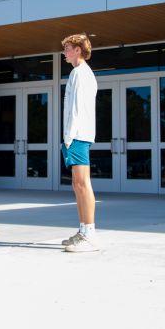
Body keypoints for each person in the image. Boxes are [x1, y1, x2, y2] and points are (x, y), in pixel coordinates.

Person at [60, 33, 99, 252]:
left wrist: (68, 136)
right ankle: (84, 230)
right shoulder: (83, 73)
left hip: (78, 135)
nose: (64, 52)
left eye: (67, 48)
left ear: (78, 50)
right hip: (79, 134)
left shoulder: (79, 72)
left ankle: (89, 234)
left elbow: (75, 108)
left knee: (82, 184)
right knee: (77, 184)